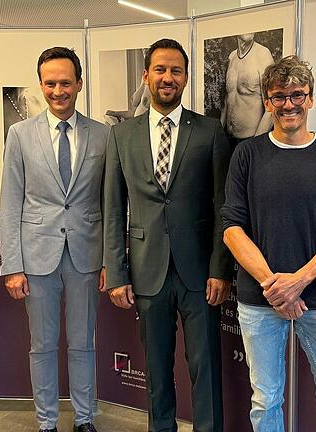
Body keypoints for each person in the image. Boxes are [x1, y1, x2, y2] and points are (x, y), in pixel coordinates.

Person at [222, 55, 316, 432]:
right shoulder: (247, 155)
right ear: (267, 101)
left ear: (311, 98)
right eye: (279, 96)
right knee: (265, 401)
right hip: (260, 297)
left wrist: (299, 280)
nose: (288, 104)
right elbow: (232, 228)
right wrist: (275, 285)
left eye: (297, 94)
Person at [103, 38, 232, 432]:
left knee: (205, 367)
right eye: (160, 70)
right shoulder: (122, 136)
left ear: (186, 77)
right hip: (146, 271)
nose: (167, 77)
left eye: (176, 70)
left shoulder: (210, 132)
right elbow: (112, 209)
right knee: (157, 369)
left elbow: (223, 208)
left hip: (199, 274)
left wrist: (220, 269)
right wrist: (118, 273)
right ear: (146, 76)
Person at [0, 47, 108, 432]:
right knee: (42, 345)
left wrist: (112, 260)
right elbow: (11, 201)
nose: (58, 90)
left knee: (83, 343)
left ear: (79, 84)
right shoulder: (20, 134)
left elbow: (111, 204)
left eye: (65, 82)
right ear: (41, 85)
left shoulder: (103, 135)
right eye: (50, 83)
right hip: (36, 257)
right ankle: (46, 422)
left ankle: (84, 419)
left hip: (86, 256)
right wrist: (11, 265)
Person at [220, 32, 275, 145]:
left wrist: (255, 145)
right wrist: (218, 135)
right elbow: (227, 98)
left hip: (251, 140)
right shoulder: (232, 56)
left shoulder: (263, 54)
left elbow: (271, 106)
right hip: (229, 138)